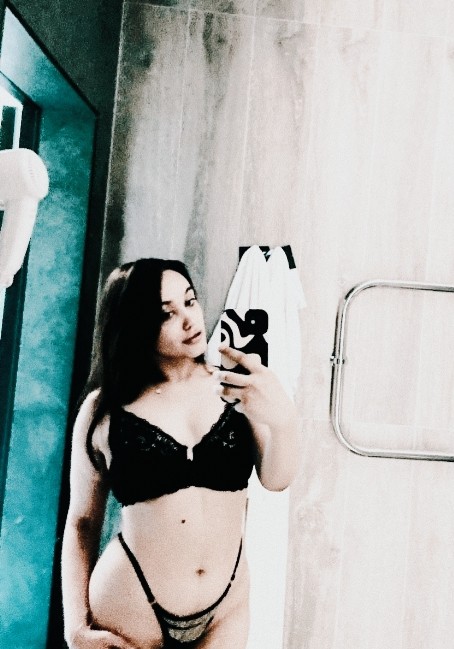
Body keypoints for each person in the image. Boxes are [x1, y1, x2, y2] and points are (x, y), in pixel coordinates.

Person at [61, 257, 299, 649]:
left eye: (189, 301)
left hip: (226, 609)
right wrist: (75, 626)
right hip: (131, 607)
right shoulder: (103, 410)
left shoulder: (234, 385)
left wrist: (284, 419)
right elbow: (83, 522)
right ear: (136, 325)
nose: (190, 320)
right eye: (167, 314)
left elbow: (276, 479)